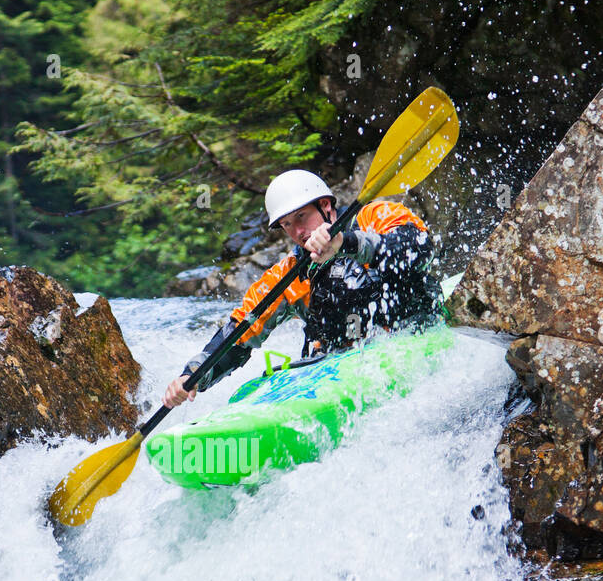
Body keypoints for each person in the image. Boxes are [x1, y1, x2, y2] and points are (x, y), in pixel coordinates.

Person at [162, 170, 442, 408]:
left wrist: (347, 243)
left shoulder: (374, 215)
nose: (296, 231)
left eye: (301, 217)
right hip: (341, 366)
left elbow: (419, 248)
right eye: (286, 224)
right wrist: (194, 374)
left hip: (413, 337)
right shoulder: (291, 273)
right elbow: (240, 331)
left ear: (325, 206)